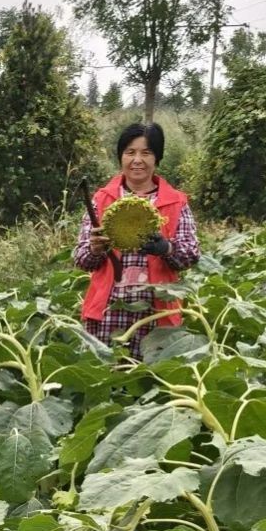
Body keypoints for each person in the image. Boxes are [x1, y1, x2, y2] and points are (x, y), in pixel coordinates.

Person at [74, 121, 200, 358]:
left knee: (151, 381)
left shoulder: (175, 202)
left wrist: (166, 248)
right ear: (121, 157)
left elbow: (191, 254)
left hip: (156, 313)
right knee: (105, 376)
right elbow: (81, 258)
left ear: (157, 158)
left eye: (146, 153)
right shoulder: (102, 200)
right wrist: (95, 248)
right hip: (108, 311)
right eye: (130, 152)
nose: (137, 160)